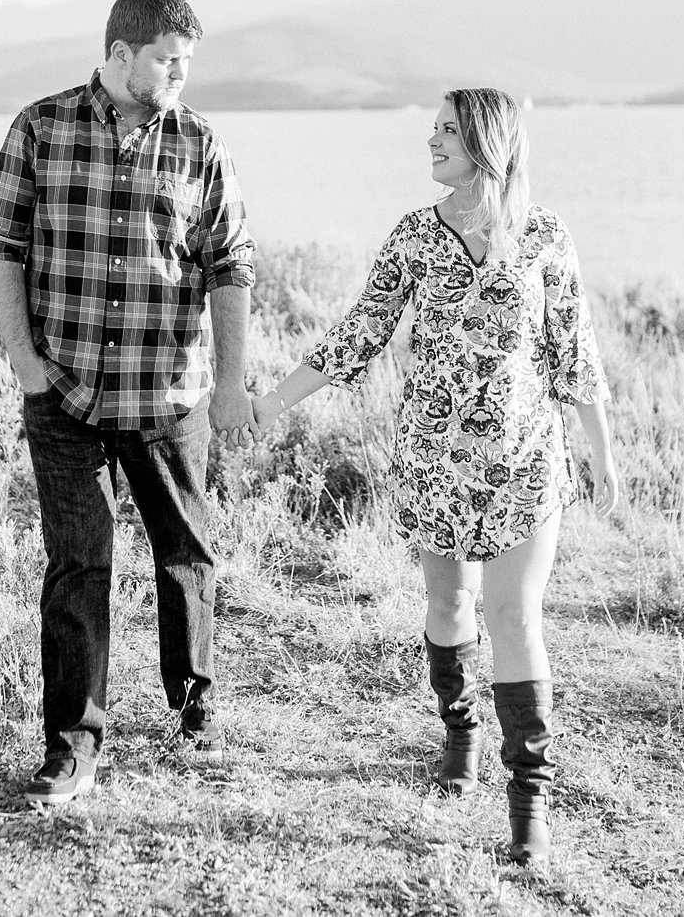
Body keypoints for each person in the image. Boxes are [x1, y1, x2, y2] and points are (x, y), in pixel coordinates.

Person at [251, 87, 614, 864]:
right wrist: (274, 402)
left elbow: (573, 349)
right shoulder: (414, 236)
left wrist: (601, 450)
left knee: (515, 618)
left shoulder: (547, 237)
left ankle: (529, 804)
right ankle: (460, 733)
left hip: (524, 461)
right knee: (449, 602)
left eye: (447, 131)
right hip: (435, 461)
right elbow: (362, 332)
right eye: (433, 130)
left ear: (487, 142)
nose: (431, 142)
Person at [0, 0, 257, 808]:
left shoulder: (200, 142)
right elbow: (0, 243)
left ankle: (192, 701)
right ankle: (72, 748)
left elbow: (231, 263)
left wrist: (232, 383)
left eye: (186, 63)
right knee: (77, 566)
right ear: (122, 53)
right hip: (62, 393)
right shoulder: (40, 126)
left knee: (184, 553)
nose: (179, 75)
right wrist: (26, 362)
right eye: (167, 60)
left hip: (168, 395)